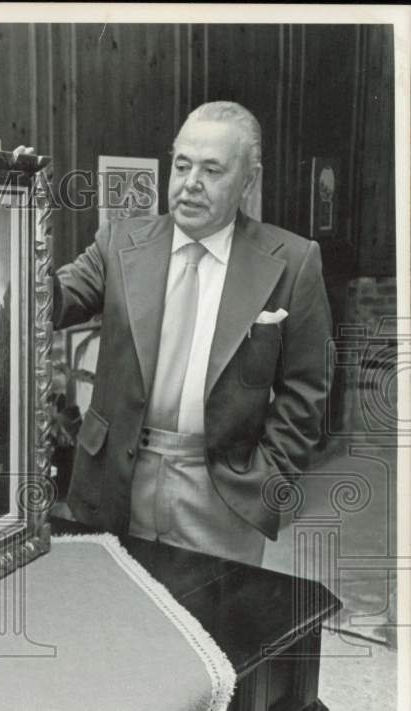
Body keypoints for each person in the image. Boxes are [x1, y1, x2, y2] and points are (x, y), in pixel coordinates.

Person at [51, 101, 333, 565]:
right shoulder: (119, 242)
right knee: (112, 623)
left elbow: (307, 391)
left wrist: (268, 477)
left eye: (212, 169)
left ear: (249, 179)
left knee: (216, 631)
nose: (190, 184)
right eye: (182, 165)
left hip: (223, 493)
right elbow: (56, 300)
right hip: (114, 482)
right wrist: (15, 220)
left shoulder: (293, 263)